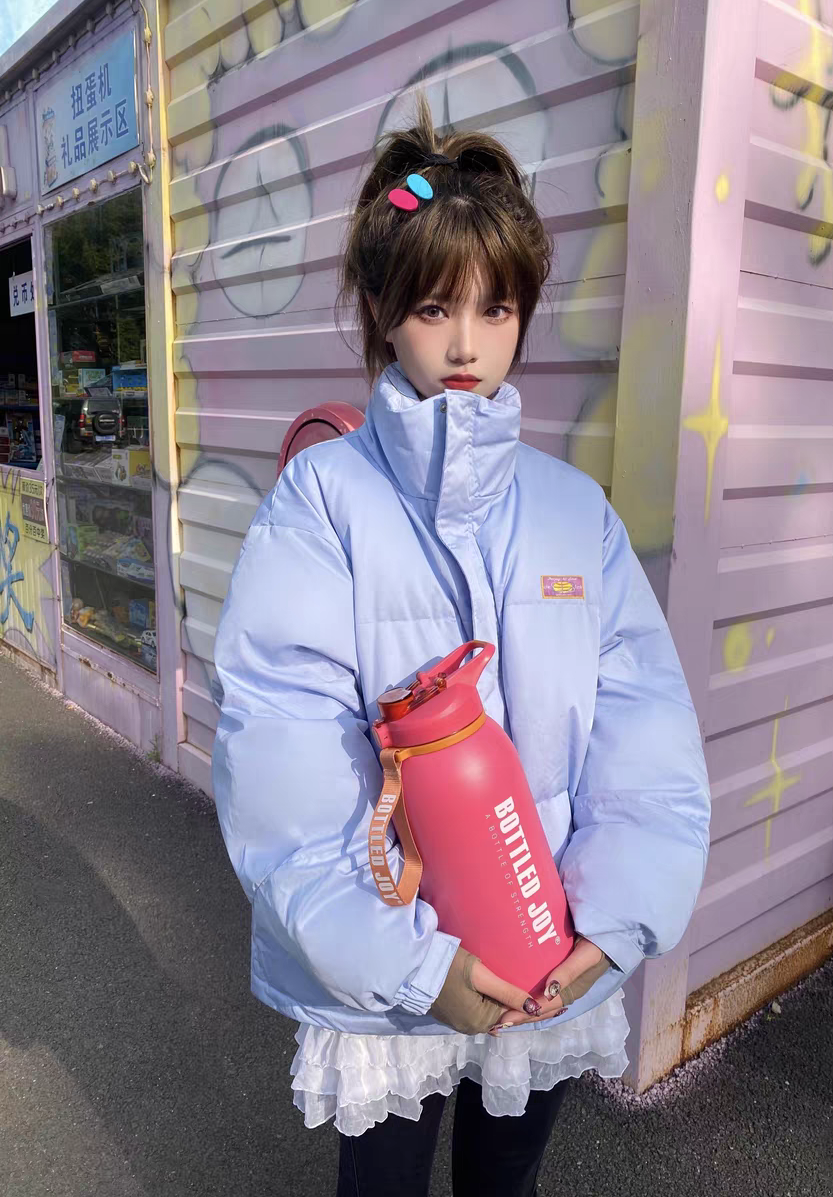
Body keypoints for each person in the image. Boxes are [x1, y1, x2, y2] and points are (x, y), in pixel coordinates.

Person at [212, 95, 711, 1197]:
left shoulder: (574, 511)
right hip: (394, 970)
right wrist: (410, 966)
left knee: (506, 1183)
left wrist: (612, 920)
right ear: (382, 310)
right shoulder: (323, 503)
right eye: (435, 307)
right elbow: (283, 747)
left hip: (549, 950)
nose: (466, 344)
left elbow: (643, 732)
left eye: (496, 308)